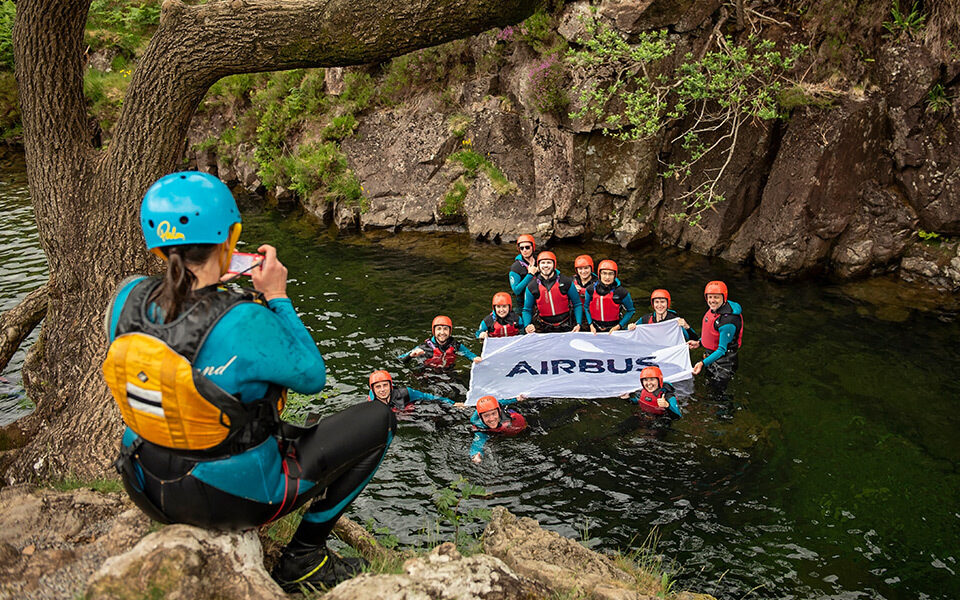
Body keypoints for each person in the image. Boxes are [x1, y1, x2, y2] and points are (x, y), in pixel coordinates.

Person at [102, 171, 396, 592]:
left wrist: (206, 287)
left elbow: (177, 331)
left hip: (143, 481)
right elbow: (313, 375)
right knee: (378, 420)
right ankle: (304, 557)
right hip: (226, 499)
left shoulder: (125, 296)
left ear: (156, 243)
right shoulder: (243, 319)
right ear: (229, 236)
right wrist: (277, 296)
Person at [691, 281, 743, 390]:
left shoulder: (728, 321)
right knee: (707, 386)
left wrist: (702, 363)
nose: (712, 301)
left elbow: (721, 350)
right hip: (711, 358)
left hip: (724, 364)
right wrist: (699, 342)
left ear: (724, 298)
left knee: (716, 394)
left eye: (716, 297)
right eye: (710, 297)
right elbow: (713, 334)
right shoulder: (715, 309)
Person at [522, 251, 583, 333]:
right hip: (544, 326)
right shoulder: (532, 287)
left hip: (566, 325)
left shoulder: (566, 282)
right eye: (542, 263)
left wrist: (578, 323)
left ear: (554, 265)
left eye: (549, 262)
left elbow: (577, 304)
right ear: (538, 266)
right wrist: (527, 325)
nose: (546, 265)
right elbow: (527, 310)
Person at [401, 315, 481, 368]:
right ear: (434, 331)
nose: (442, 333)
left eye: (445, 329)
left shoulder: (455, 345)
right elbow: (400, 360)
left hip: (448, 372)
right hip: (428, 373)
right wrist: (411, 356)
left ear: (450, 332)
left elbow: (469, 354)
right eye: (439, 329)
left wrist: (475, 358)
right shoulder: (424, 347)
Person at [630, 289, 700, 345]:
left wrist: (686, 326)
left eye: (662, 302)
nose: (659, 305)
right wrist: (630, 327)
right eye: (657, 302)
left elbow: (694, 340)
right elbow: (630, 334)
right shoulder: (646, 319)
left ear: (667, 304)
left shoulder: (674, 321)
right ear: (653, 304)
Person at [367, 370, 462, 412]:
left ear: (391, 386)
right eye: (378, 387)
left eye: (385, 385)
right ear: (373, 390)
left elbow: (427, 397)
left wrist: (452, 403)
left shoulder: (405, 393)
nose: (382, 390)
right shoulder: (372, 404)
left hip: (410, 409)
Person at [469, 395, 527, 463]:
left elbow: (501, 402)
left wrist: (516, 399)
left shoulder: (503, 413)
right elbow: (477, 443)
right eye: (486, 416)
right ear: (481, 417)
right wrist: (475, 455)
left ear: (499, 412)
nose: (491, 419)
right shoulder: (480, 427)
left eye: (493, 413)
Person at [584, 260, 635, 333]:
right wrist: (590, 325)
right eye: (604, 273)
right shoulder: (590, 289)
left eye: (610, 274)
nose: (607, 277)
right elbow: (586, 307)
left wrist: (618, 326)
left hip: (614, 328)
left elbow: (631, 310)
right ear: (599, 274)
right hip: (594, 328)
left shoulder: (621, 292)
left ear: (615, 275)